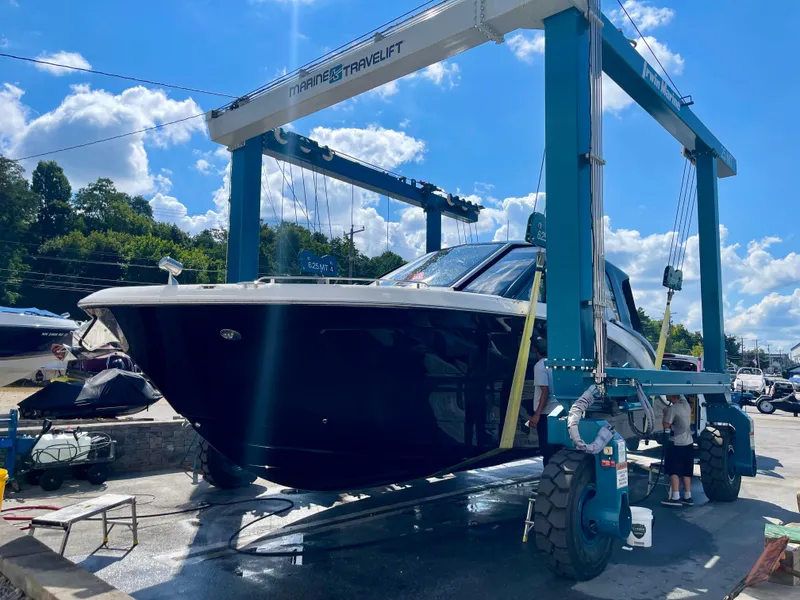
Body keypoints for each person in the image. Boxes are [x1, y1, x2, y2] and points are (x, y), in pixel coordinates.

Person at [527, 337, 558, 466]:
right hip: (558, 412)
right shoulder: (555, 363)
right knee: (556, 449)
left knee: (547, 451)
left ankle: (548, 483)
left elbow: (545, 391)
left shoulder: (540, 366)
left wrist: (537, 414)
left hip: (546, 415)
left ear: (534, 349)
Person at [661, 394, 695, 506]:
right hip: (689, 442)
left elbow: (666, 425)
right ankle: (688, 496)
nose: (665, 395)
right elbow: (682, 395)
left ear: (672, 395)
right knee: (686, 471)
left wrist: (665, 414)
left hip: (676, 443)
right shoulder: (686, 405)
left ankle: (675, 497)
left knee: (673, 470)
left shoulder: (673, 409)